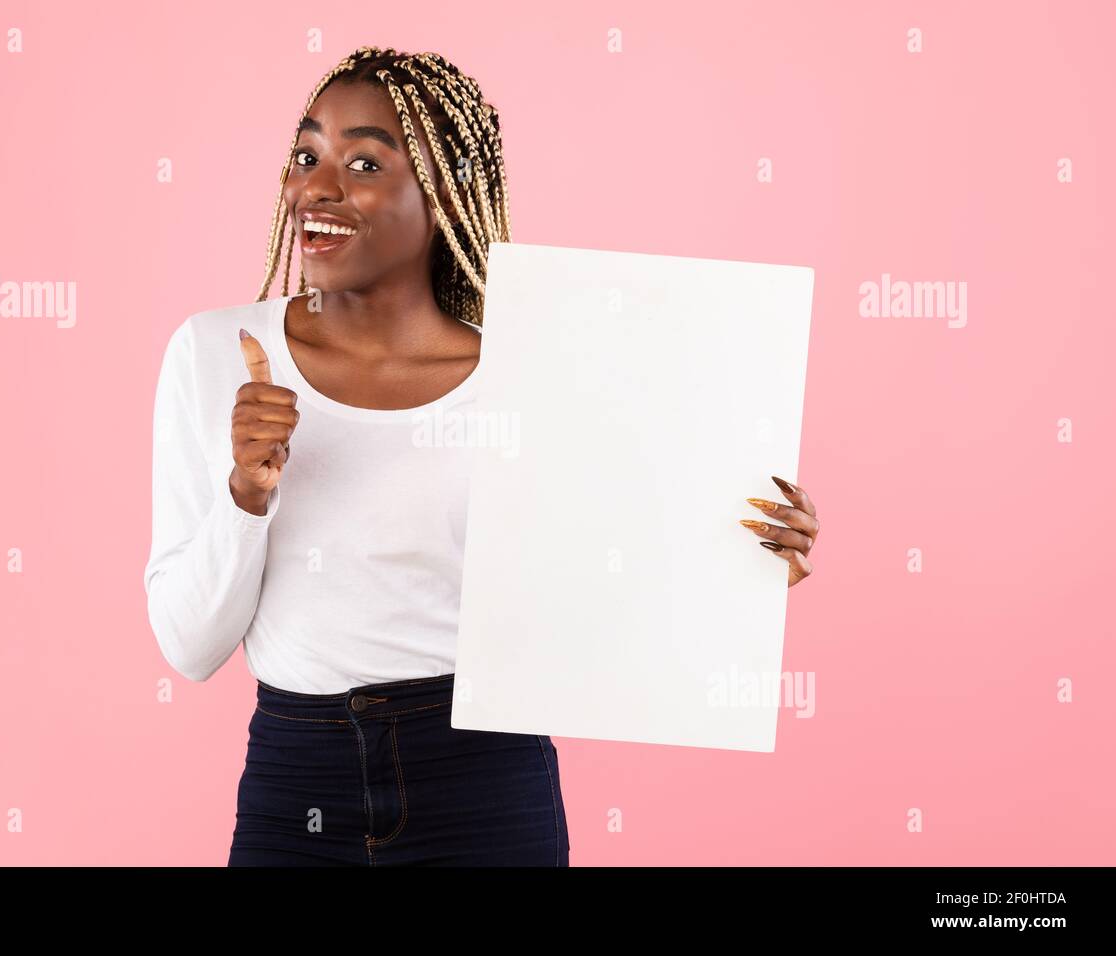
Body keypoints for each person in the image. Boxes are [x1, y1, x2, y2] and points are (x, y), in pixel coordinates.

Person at [143, 46, 819, 867]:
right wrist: (245, 495)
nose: (315, 188)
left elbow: (605, 581)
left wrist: (739, 576)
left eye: (362, 161)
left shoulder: (533, 378)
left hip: (482, 784)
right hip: (298, 782)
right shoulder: (217, 354)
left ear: (451, 193)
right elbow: (188, 646)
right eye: (304, 154)